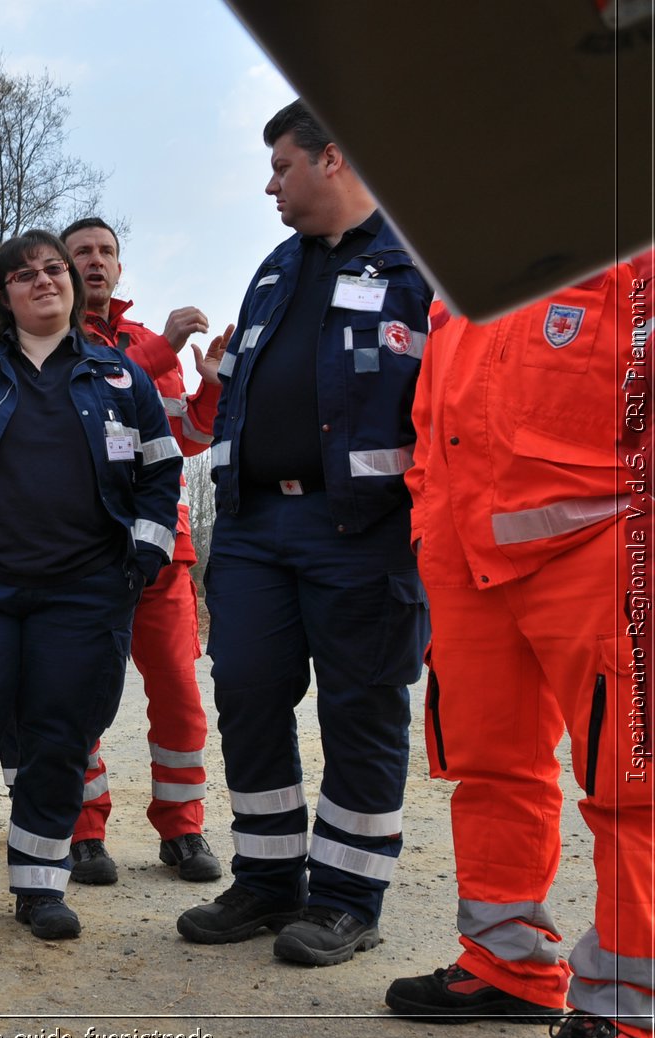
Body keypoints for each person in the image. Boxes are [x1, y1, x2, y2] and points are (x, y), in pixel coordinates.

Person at [177, 100, 431, 965]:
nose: (269, 183)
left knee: (361, 705)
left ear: (333, 159)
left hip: (363, 526)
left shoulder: (415, 266)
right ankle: (268, 877)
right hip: (255, 525)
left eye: (282, 165)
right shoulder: (276, 270)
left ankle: (349, 897)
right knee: (246, 689)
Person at [383, 259, 653, 1038]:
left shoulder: (630, 236)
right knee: (491, 764)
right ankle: (509, 962)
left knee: (632, 784)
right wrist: (432, 514)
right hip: (469, 556)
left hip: (606, 542)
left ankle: (633, 1008)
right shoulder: (465, 267)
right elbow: (437, 412)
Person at [0, 229, 182, 945]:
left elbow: (161, 472)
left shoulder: (120, 378)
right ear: (3, 295)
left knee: (59, 737)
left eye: (55, 269)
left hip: (83, 594)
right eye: (25, 275)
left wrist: (138, 561)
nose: (44, 280)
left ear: (75, 285)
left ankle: (40, 885)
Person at [0, 215, 226, 887]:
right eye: (80, 254)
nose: (94, 262)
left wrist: (208, 383)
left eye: (105, 252)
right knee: (75, 692)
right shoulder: (47, 343)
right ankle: (85, 829)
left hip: (162, 553)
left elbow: (186, 436)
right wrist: (157, 358)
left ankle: (182, 830)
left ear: (120, 269)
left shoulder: (153, 342)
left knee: (180, 693)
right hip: (82, 555)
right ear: (61, 273)